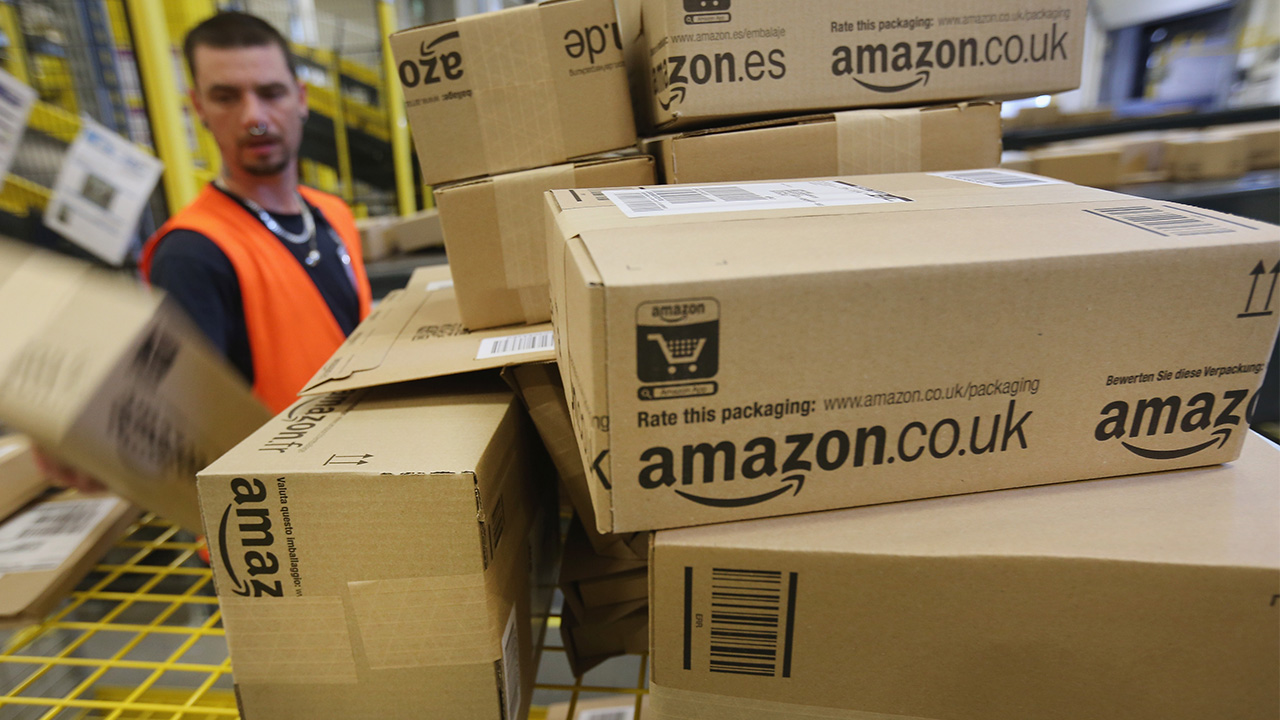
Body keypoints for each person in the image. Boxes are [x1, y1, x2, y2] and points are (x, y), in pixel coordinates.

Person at [139, 11, 372, 414]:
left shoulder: (334, 214)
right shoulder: (192, 255)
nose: (254, 118)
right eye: (226, 97)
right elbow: (181, 419)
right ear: (199, 107)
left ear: (301, 99)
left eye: (271, 93)